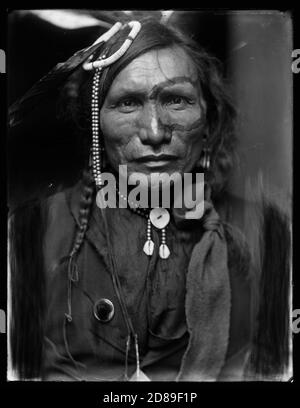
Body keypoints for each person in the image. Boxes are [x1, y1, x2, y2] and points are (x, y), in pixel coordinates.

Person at [8, 17, 291, 381]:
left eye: (176, 100)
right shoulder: (33, 232)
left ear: (209, 117)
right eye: (128, 103)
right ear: (95, 123)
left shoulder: (266, 231)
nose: (154, 132)